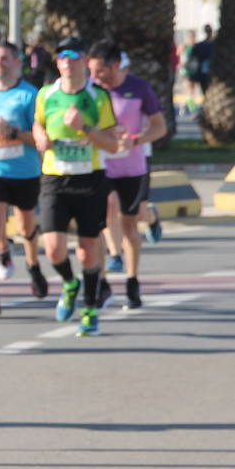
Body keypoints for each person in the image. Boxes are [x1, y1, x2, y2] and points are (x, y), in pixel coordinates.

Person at [31, 36, 123, 336]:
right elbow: (38, 123)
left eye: (72, 56)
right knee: (54, 248)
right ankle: (70, 283)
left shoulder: (98, 98)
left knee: (87, 251)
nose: (66, 62)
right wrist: (39, 136)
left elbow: (111, 144)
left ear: (84, 61)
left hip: (90, 178)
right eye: (61, 57)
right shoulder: (46, 94)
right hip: (55, 178)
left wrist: (85, 127)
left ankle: (90, 308)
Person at [90, 42, 167, 309]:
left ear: (114, 66)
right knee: (102, 218)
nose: (96, 76)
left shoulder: (139, 88)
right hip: (100, 166)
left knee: (131, 225)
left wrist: (136, 140)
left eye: (100, 71)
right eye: (92, 71)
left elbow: (160, 127)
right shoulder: (90, 90)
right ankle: (101, 283)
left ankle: (132, 282)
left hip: (132, 166)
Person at [0, 42, 47, 316]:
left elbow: (40, 139)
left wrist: (15, 132)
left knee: (26, 227)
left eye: (4, 58)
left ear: (18, 62)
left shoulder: (30, 96)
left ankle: (33, 266)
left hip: (25, 171)